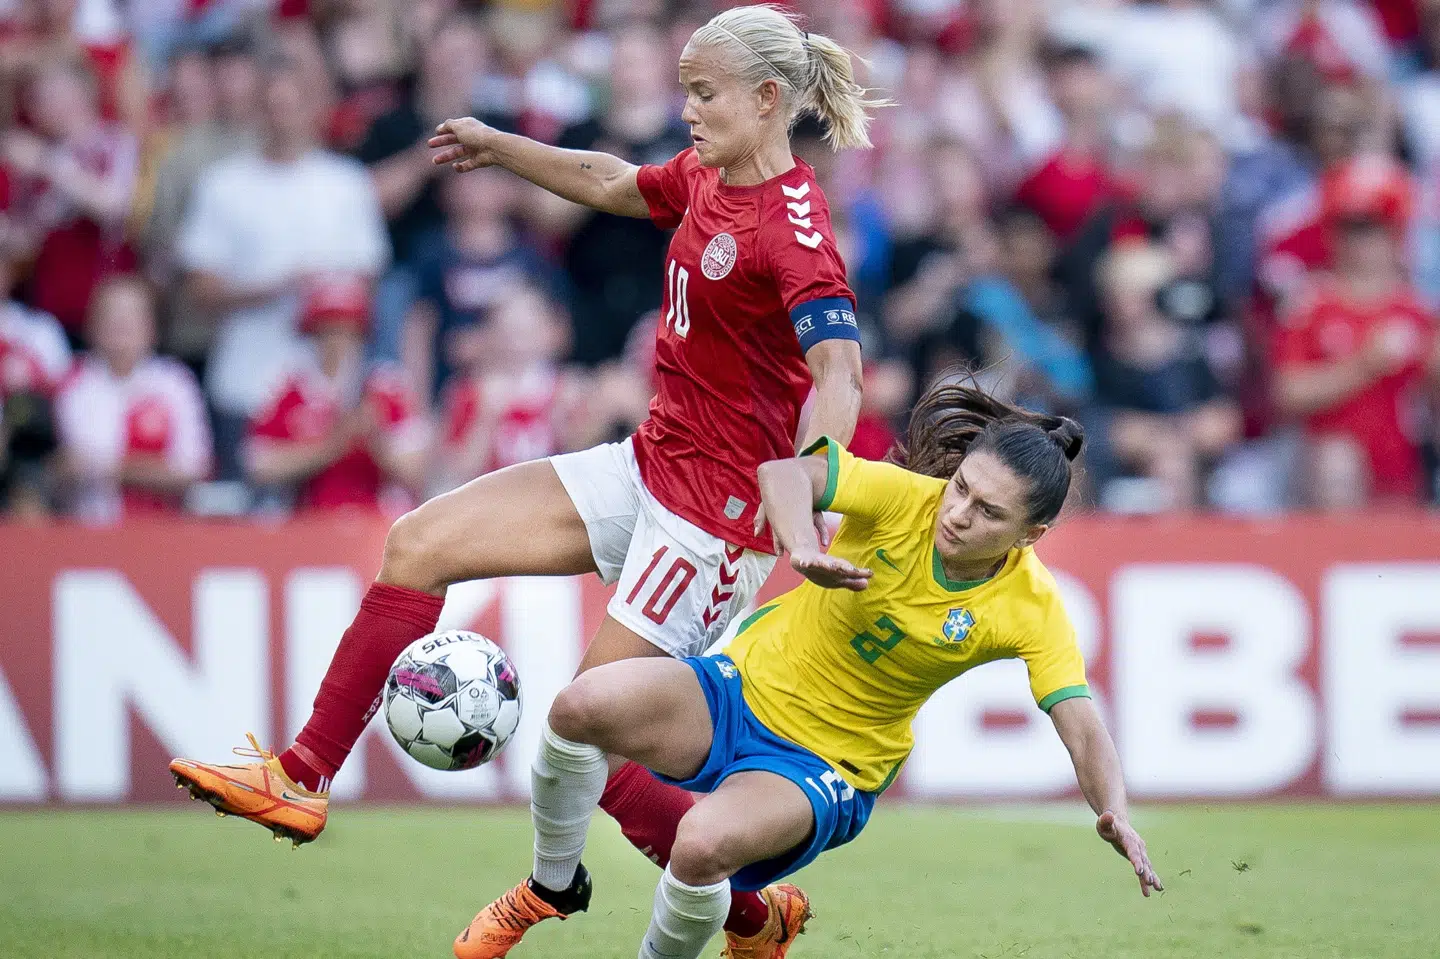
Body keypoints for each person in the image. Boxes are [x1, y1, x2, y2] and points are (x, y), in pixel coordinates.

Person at [169, 7, 881, 958]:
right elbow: (613, 181)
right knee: (420, 543)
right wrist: (499, 145)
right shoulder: (710, 173)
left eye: (704, 93)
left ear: (765, 99)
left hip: (716, 522)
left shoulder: (795, 230)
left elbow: (840, 376)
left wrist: (806, 500)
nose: (686, 109)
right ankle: (300, 779)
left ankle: (676, 903)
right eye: (684, 90)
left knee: (593, 739)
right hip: (648, 463)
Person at [535, 380, 1162, 959]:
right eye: (961, 487)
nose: (958, 513)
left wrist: (1114, 810)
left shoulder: (1033, 607)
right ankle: (552, 885)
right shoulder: (904, 500)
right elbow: (784, 474)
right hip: (738, 687)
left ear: (1031, 535)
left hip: (828, 762)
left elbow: (1081, 723)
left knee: (699, 845)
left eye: (989, 512)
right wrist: (804, 546)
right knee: (579, 706)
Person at [245, 275, 426, 514]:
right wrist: (331, 446)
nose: (337, 341)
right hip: (308, 519)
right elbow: (259, 466)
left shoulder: (387, 385)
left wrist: (375, 437)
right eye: (327, 330)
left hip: (376, 518)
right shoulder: (288, 388)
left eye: (348, 331)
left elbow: (416, 472)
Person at [53, 275, 212, 522]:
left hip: (163, 529)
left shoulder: (175, 383)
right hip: (88, 529)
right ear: (92, 325)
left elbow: (194, 469)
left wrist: (109, 469)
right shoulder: (71, 383)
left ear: (152, 327)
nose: (120, 326)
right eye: (110, 316)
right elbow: (59, 467)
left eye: (130, 317)